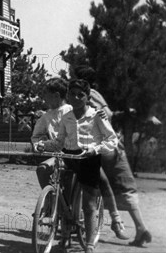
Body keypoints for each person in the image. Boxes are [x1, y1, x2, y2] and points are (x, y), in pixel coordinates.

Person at [31, 78, 129, 240]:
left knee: (102, 182)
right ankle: (52, 202)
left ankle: (115, 219)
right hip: (61, 154)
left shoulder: (71, 107)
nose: (43, 98)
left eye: (45, 95)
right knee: (43, 169)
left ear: (57, 96)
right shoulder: (45, 117)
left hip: (85, 153)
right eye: (72, 94)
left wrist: (101, 112)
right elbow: (37, 138)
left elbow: (90, 112)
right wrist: (39, 145)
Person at [73, 66, 151, 246]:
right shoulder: (97, 95)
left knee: (88, 183)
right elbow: (108, 115)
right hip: (112, 145)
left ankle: (80, 224)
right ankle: (139, 226)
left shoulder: (78, 96)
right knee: (125, 186)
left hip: (93, 146)